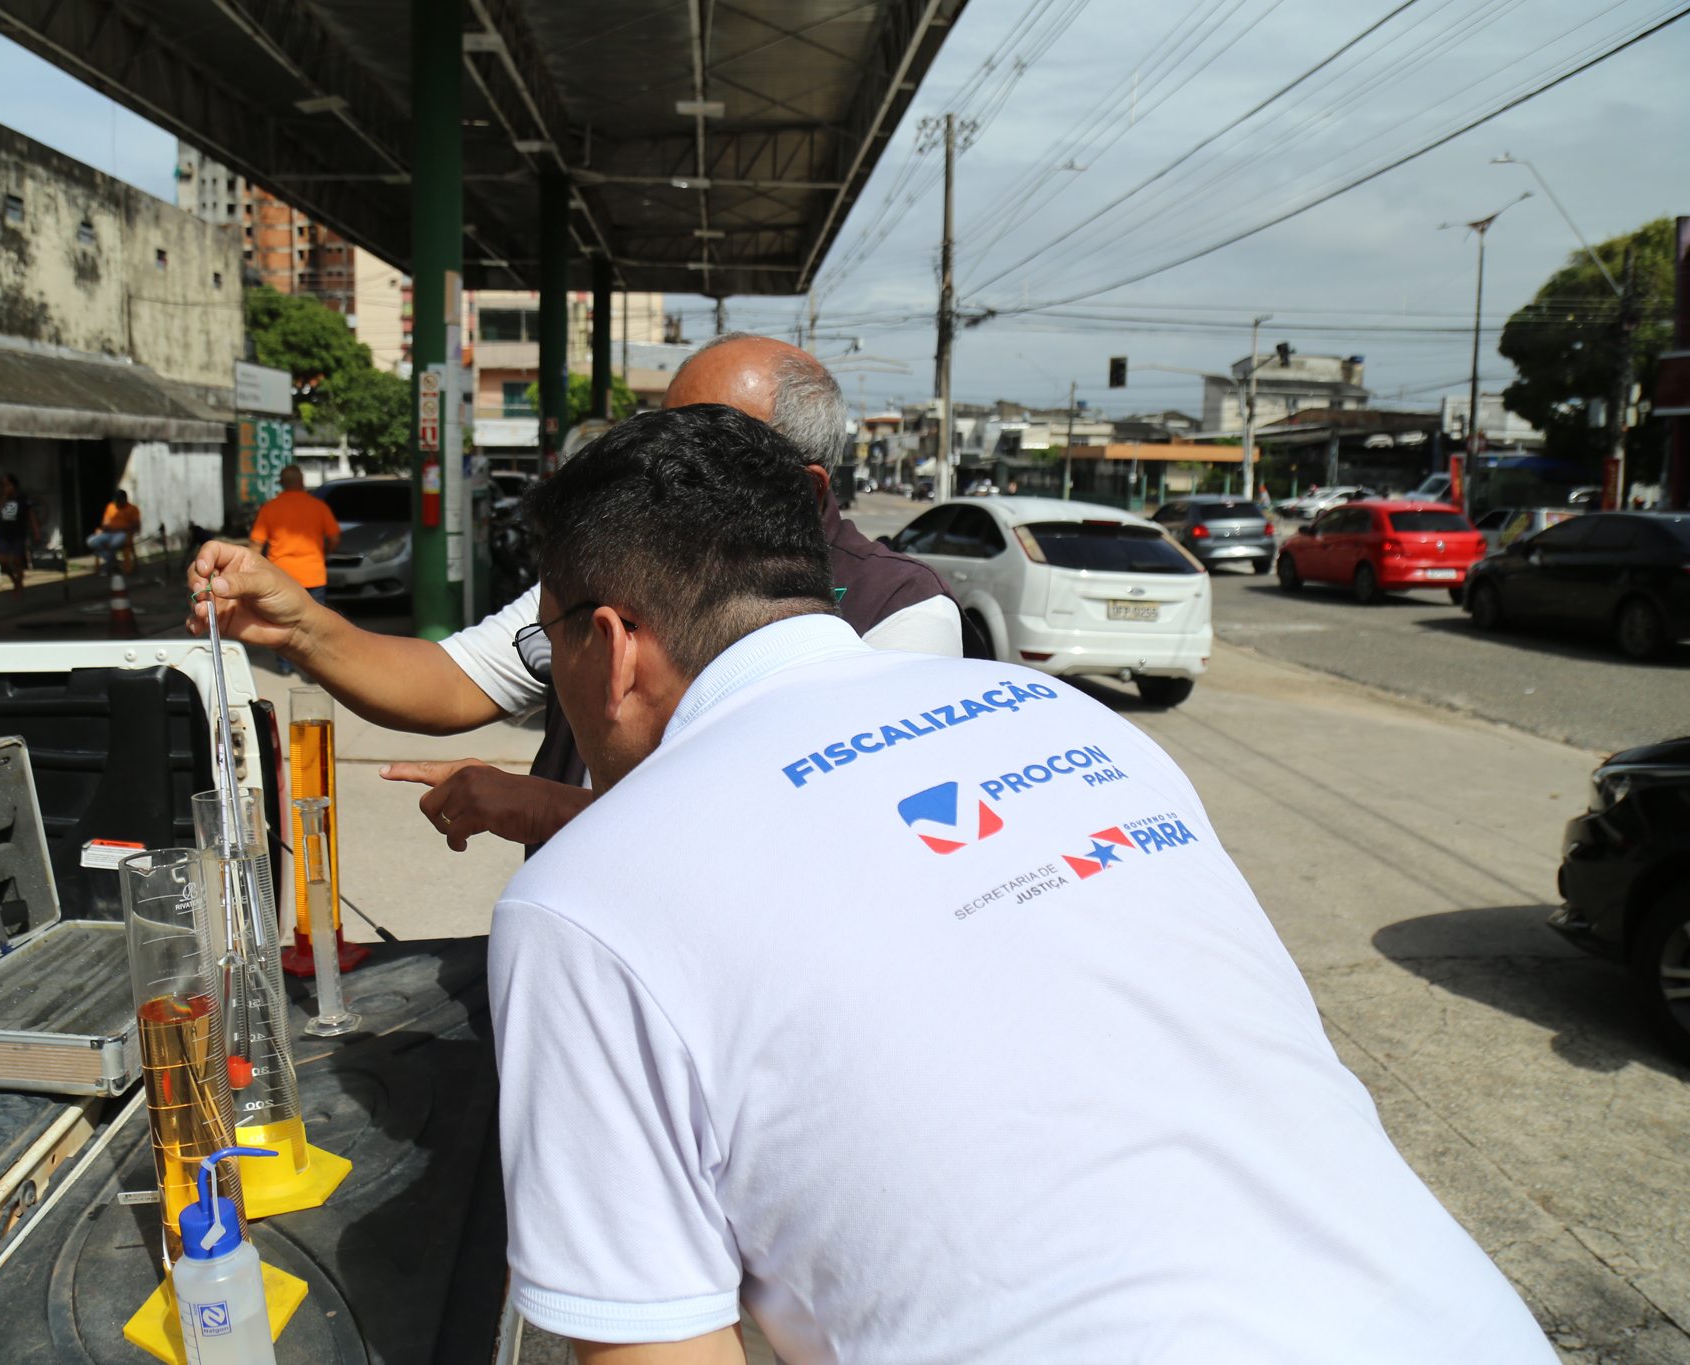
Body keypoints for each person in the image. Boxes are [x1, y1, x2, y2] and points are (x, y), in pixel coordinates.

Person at [488, 404, 1555, 1365]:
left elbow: (654, 1348)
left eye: (548, 639)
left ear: (614, 644)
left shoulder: (582, 902)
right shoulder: (1059, 716)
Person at [187, 334, 959, 851]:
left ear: (805, 486)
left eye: (710, 445)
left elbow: (819, 846)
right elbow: (450, 679)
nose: (664, 462)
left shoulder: (899, 611)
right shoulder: (620, 557)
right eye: (664, 431)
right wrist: (301, 627)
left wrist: (546, 808)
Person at [249, 464, 341, 673]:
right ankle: (314, 669)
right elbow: (335, 538)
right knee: (315, 623)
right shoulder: (318, 507)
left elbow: (255, 544)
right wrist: (324, 552)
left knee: (281, 621)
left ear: (281, 484)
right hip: (314, 574)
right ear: (302, 482)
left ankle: (285, 665)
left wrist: (252, 570)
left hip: (281, 576)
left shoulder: (270, 508)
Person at [0, 473, 39, 597]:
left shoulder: (22, 498)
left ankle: (19, 584)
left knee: (18, 560)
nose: (5, 488)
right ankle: (14, 580)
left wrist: (36, 532)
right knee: (3, 561)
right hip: (4, 534)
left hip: (18, 533)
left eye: (7, 485)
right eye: (3, 486)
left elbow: (31, 515)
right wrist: (4, 497)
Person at [88, 489, 140, 571]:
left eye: (119, 500)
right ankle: (112, 561)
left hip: (123, 533)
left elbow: (136, 523)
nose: (117, 502)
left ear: (124, 499)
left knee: (114, 544)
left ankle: (109, 563)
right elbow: (105, 521)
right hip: (108, 533)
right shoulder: (111, 506)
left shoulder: (133, 509)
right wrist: (105, 527)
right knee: (91, 541)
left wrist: (122, 528)